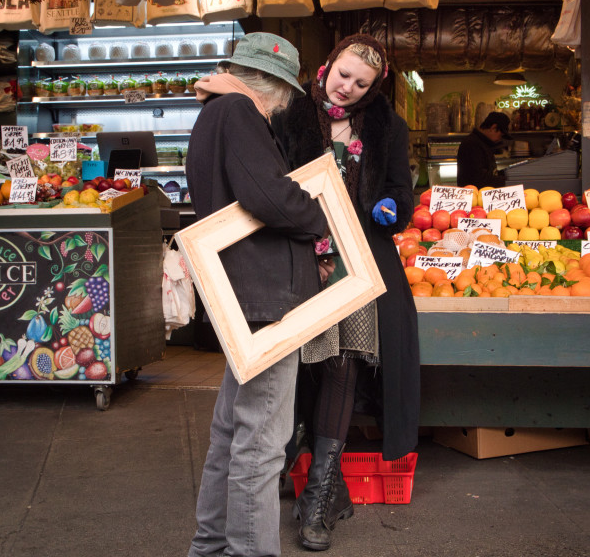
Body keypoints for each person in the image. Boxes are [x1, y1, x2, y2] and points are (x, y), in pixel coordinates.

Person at [185, 32, 333, 557]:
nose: (284, 110)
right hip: (265, 299)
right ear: (271, 88)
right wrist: (323, 219)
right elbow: (268, 196)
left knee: (231, 432)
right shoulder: (240, 114)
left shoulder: (212, 116)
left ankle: (210, 548)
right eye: (286, 98)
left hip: (240, 296)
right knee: (261, 443)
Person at [272, 34, 420, 551]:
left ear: (374, 87)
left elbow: (402, 191)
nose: (348, 88)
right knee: (293, 366)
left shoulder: (387, 128)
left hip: (357, 265)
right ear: (328, 63)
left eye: (361, 83)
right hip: (295, 260)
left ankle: (317, 499)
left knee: (342, 366)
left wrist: (392, 209)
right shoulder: (288, 116)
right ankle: (295, 480)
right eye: (343, 75)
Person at [456, 111, 512, 188]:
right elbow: (479, 179)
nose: (500, 139)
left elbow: (488, 174)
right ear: (493, 128)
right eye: (501, 135)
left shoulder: (483, 142)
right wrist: (508, 181)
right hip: (474, 196)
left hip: (481, 194)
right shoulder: (472, 144)